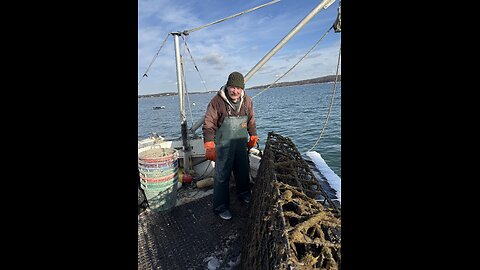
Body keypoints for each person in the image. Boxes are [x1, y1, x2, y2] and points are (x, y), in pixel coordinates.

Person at [202, 71, 259, 220]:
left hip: (240, 144)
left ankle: (244, 194)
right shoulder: (216, 101)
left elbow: (251, 120)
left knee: (243, 170)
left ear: (242, 89)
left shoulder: (247, 100)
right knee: (222, 176)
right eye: (232, 87)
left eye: (239, 88)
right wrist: (209, 145)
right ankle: (220, 207)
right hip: (224, 145)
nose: (235, 91)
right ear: (227, 86)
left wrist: (253, 134)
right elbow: (208, 125)